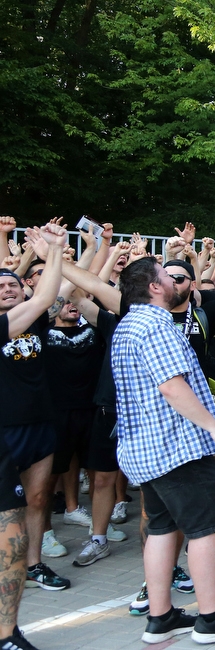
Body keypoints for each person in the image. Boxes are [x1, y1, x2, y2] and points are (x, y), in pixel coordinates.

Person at [112, 257, 215, 644]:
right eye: (168, 276)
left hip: (145, 449)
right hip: (176, 448)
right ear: (155, 287)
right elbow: (172, 385)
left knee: (161, 528)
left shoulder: (128, 324)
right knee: (205, 530)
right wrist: (214, 429)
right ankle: (211, 619)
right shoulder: (156, 326)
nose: (179, 281)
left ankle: (160, 617)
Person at [1, 224, 71, 592]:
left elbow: (52, 294)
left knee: (39, 497)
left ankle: (33, 564)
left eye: (12, 283)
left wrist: (59, 250)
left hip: (41, 421)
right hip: (5, 427)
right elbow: (44, 297)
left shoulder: (37, 320)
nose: (7, 289)